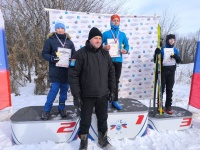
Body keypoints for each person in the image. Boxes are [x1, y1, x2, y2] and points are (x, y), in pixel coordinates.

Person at [68, 27, 116, 150]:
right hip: (86, 95)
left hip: (102, 94)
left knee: (103, 118)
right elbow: (73, 75)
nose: (98, 40)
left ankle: (103, 140)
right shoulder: (79, 54)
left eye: (100, 38)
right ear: (90, 39)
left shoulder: (105, 54)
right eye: (95, 38)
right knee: (85, 120)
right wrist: (76, 95)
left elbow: (111, 72)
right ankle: (83, 143)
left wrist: (112, 90)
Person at [41, 22, 75, 120]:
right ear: (55, 29)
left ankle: (62, 108)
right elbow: (44, 54)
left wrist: (72, 62)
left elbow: (74, 56)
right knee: (53, 91)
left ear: (64, 29)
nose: (60, 30)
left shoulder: (69, 42)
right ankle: (46, 110)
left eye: (62, 28)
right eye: (58, 28)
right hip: (55, 71)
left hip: (66, 71)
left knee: (64, 92)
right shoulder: (50, 41)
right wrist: (52, 58)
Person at [102, 14, 129, 110]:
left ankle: (114, 100)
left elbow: (127, 46)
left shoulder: (122, 35)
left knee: (116, 81)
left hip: (118, 60)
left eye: (117, 20)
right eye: (114, 20)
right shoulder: (105, 34)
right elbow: (99, 44)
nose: (116, 22)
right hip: (107, 60)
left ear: (119, 22)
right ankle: (106, 101)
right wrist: (104, 47)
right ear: (110, 21)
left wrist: (125, 50)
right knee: (106, 80)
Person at [154, 34, 181, 114]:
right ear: (167, 40)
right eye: (170, 40)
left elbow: (179, 61)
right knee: (161, 89)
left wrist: (176, 57)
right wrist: (157, 53)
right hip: (163, 71)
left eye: (173, 40)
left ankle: (168, 105)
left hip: (171, 71)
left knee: (170, 89)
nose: (172, 41)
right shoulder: (162, 49)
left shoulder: (175, 50)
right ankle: (160, 105)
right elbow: (156, 60)